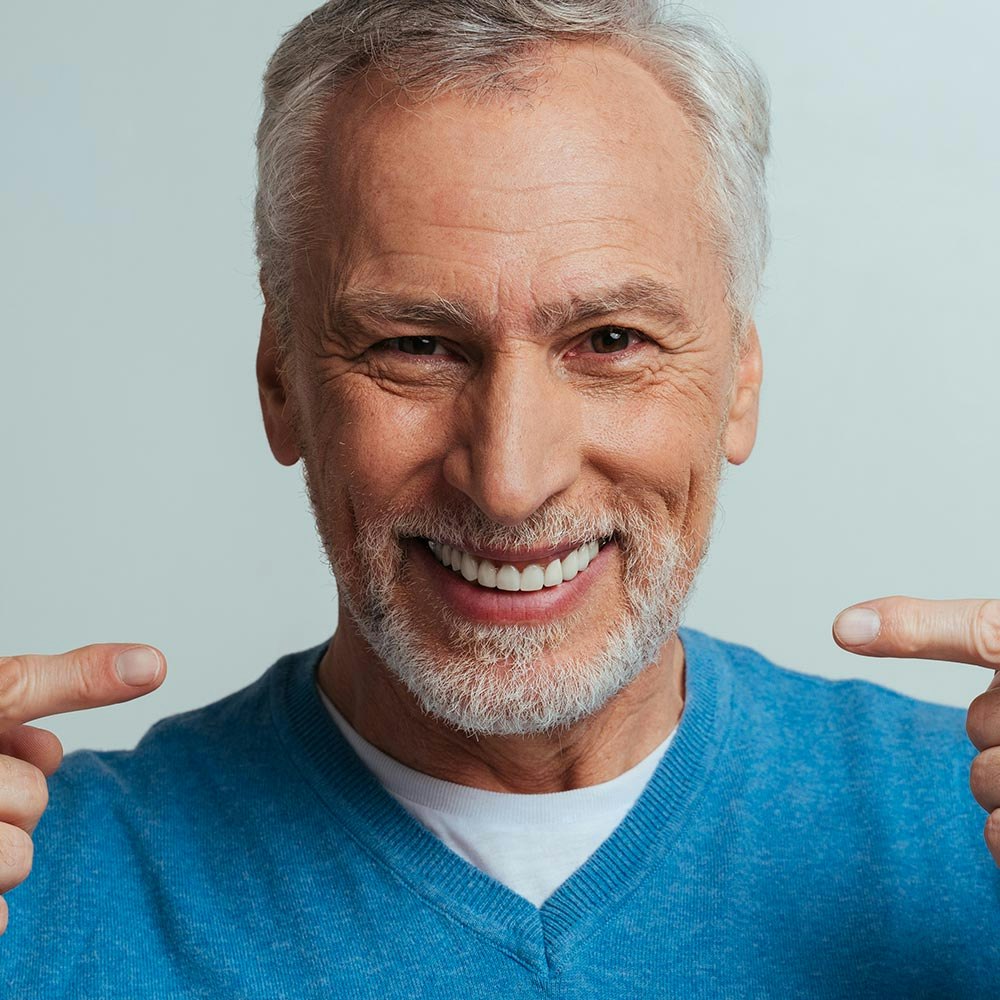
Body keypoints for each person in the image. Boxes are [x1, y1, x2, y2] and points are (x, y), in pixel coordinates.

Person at [2, 0, 998, 995]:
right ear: (281, 384)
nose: (511, 483)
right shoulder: (35, 893)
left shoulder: (972, 838)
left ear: (739, 382)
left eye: (610, 340)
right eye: (416, 347)